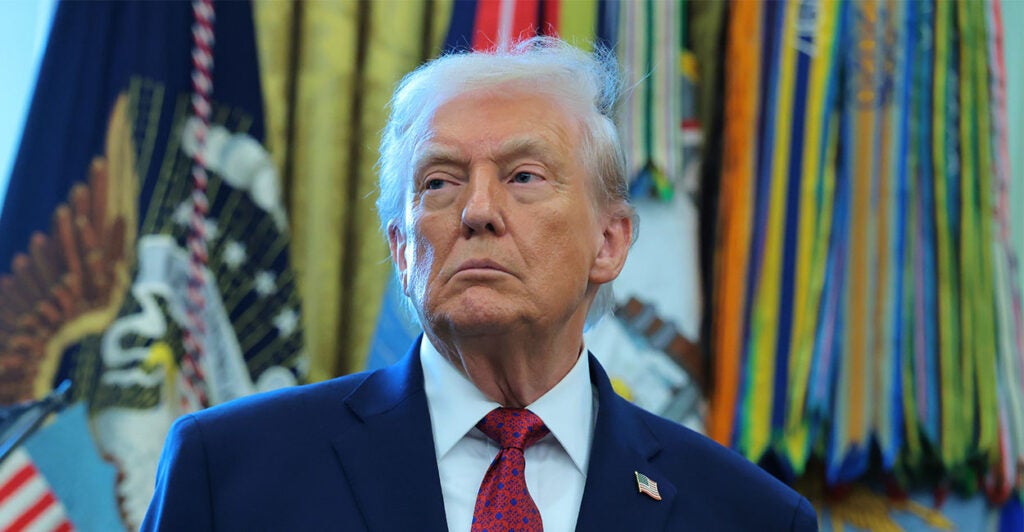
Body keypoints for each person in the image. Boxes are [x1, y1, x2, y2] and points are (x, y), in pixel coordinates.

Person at [142, 37, 818, 531]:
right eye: (439, 182)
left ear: (610, 242)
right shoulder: (229, 470)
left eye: (524, 176)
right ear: (401, 248)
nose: (477, 210)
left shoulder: (748, 515)